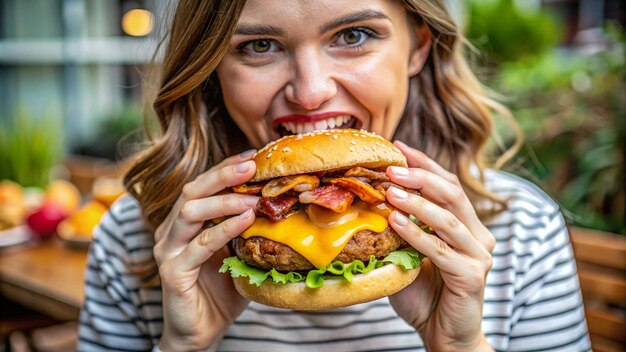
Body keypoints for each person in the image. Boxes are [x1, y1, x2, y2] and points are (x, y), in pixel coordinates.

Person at [77, 1, 591, 351]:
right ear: (210, 65)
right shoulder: (134, 236)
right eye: (258, 45)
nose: (310, 91)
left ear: (417, 46)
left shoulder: (523, 229)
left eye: (353, 35)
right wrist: (183, 346)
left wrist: (461, 347)